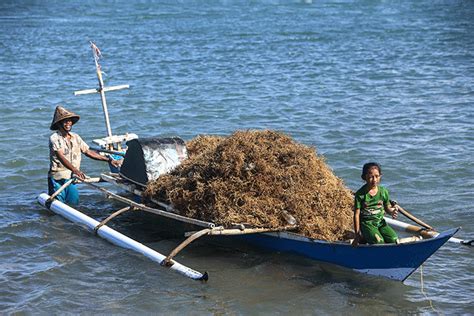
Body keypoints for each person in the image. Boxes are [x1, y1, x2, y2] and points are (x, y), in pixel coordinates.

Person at [48, 105, 120, 205]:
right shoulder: (54, 138)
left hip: (71, 178)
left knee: (74, 203)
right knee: (58, 205)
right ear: (59, 124)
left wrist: (108, 159)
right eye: (65, 121)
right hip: (58, 178)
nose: (68, 123)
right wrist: (75, 170)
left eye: (70, 121)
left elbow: (88, 152)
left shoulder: (75, 137)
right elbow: (60, 156)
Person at [352, 162, 398, 246]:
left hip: (380, 222)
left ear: (380, 176)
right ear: (364, 177)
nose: (374, 180)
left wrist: (392, 211)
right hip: (367, 224)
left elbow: (387, 208)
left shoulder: (383, 192)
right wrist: (357, 234)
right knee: (379, 242)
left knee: (394, 239)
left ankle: (369, 237)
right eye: (370, 177)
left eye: (377, 176)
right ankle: (366, 236)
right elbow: (356, 215)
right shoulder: (360, 194)